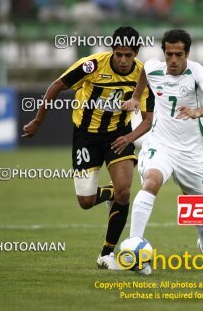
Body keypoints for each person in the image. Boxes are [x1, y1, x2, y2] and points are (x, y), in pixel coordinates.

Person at [22, 27, 154, 270]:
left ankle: (106, 254)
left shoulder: (143, 76)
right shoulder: (91, 66)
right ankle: (108, 195)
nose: (123, 60)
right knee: (85, 201)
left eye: (129, 55)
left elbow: (148, 119)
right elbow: (56, 86)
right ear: (112, 51)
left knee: (124, 191)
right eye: (119, 54)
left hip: (118, 135)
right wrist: (39, 120)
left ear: (136, 53)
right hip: (85, 136)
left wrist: (130, 138)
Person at [123, 29, 203, 275]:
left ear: (187, 54)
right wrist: (137, 97)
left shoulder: (198, 72)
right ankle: (134, 249)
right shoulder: (153, 68)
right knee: (151, 181)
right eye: (168, 54)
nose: (172, 60)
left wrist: (197, 112)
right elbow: (144, 72)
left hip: (191, 154)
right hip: (161, 145)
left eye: (178, 54)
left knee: (196, 210)